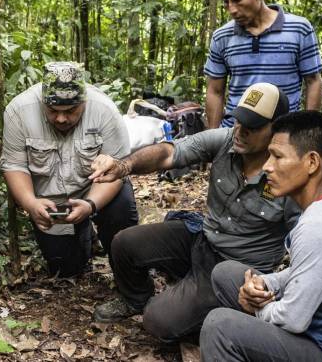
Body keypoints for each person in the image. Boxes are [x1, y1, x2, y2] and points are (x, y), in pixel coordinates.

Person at [90, 82, 299, 342]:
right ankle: (136, 299)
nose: (241, 131)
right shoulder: (225, 140)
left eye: (253, 126)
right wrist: (124, 166)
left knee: (158, 321)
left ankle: (222, 308)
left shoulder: (289, 174)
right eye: (238, 121)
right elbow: (169, 153)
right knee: (124, 243)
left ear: (277, 129)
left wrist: (273, 284)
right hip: (202, 239)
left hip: (235, 270)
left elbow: (305, 243)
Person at [200, 111, 322, 361]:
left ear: (311, 162)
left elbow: (292, 320)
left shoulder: (320, 225)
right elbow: (312, 267)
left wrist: (254, 305)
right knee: (227, 273)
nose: (266, 166)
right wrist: (268, 284)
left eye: (277, 156)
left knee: (219, 327)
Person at [0, 62, 138, 278]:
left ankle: (124, 270)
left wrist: (91, 205)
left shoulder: (105, 111)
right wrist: (30, 203)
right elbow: (14, 165)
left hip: (96, 190)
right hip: (52, 201)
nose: (61, 118)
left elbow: (118, 169)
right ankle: (83, 236)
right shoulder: (19, 111)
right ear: (42, 101)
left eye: (71, 111)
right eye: (53, 111)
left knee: (121, 209)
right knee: (66, 269)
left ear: (84, 100)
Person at [204, 0, 322, 129]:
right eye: (226, 2)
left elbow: (313, 81)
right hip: (236, 132)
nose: (231, 9)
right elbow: (215, 91)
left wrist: (307, 130)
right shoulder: (222, 37)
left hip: (283, 133)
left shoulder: (299, 29)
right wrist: (213, 137)